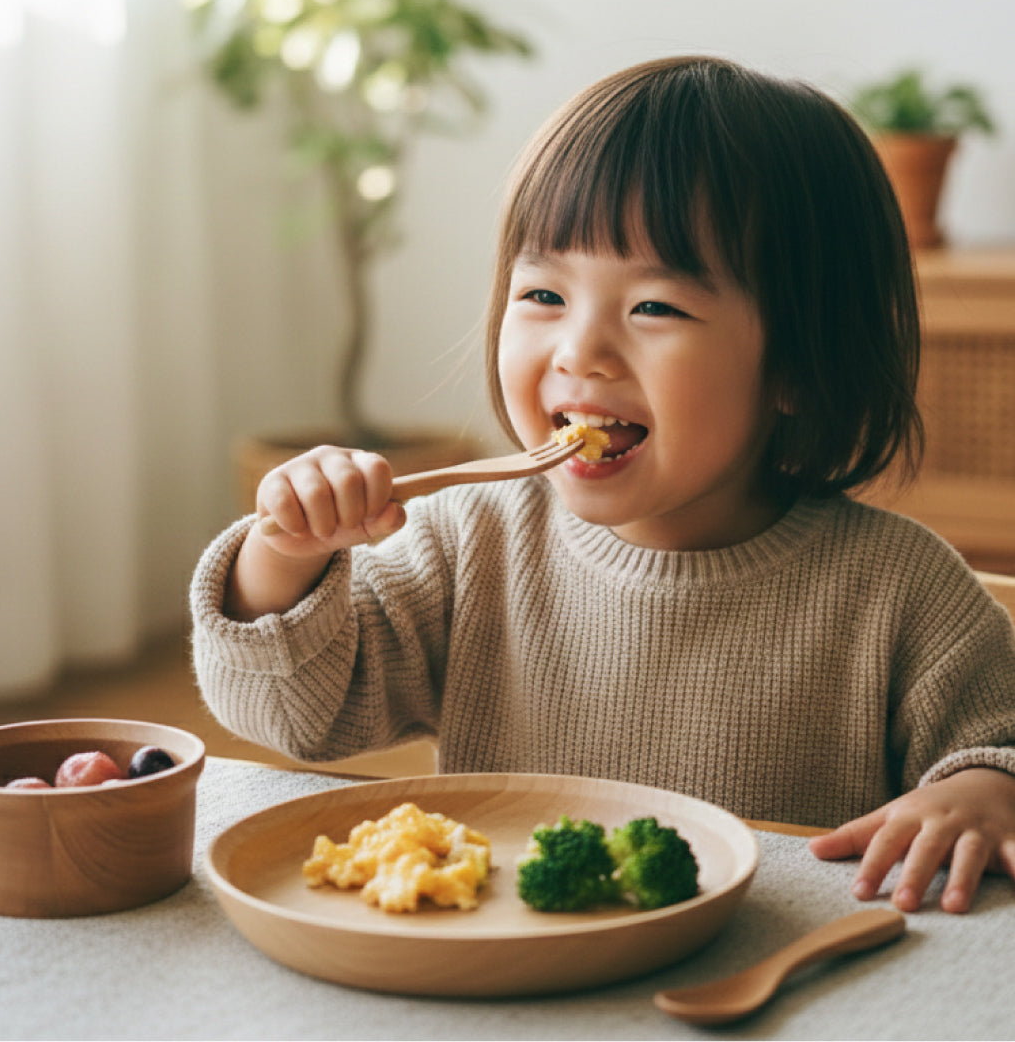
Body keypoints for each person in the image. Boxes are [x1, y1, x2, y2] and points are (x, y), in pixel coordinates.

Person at [191, 55, 1015, 913]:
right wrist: (282, 557)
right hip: (517, 979)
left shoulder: (901, 590)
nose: (580, 350)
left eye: (654, 307)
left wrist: (989, 787)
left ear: (800, 365)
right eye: (544, 292)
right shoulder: (468, 543)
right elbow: (294, 719)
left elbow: (1001, 741)